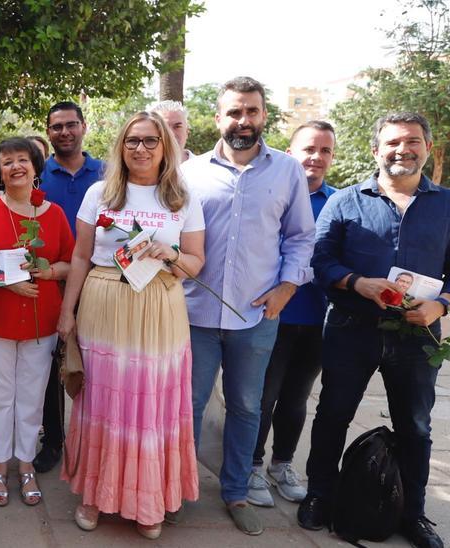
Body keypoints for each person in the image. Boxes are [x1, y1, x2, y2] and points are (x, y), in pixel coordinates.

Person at [300, 112, 450, 548]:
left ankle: (413, 513)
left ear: (428, 148)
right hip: (350, 328)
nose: (403, 149)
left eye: (413, 141)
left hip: (418, 338)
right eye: (394, 142)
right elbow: (321, 261)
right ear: (376, 150)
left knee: (415, 426)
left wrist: (440, 306)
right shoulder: (346, 202)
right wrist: (357, 282)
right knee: (332, 415)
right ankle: (320, 494)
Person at [57, 111, 204, 540]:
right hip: (105, 304)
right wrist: (67, 312)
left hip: (159, 306)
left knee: (150, 406)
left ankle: (147, 500)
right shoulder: (100, 193)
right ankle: (94, 494)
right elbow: (81, 257)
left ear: (166, 147)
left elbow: (196, 264)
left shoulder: (181, 196)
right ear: (121, 146)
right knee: (102, 401)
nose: (141, 148)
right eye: (133, 140)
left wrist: (171, 254)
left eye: (151, 141)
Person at [181, 77, 315, 536]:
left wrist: (287, 287)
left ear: (263, 116)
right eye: (234, 112)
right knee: (188, 405)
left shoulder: (287, 171)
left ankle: (236, 491)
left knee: (245, 406)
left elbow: (301, 237)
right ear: (218, 118)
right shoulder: (188, 173)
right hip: (193, 314)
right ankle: (180, 489)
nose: (243, 120)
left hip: (255, 316)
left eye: (252, 111)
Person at [0, 137, 74, 508]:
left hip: (41, 320)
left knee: (30, 397)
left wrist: (46, 271)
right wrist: (7, 282)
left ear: (35, 166)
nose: (15, 167)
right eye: (7, 161)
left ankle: (25, 464)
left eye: (22, 159)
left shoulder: (55, 215)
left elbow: (70, 263)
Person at [247, 121, 338, 509]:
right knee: (261, 397)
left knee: (297, 397)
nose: (315, 158)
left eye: (325, 151)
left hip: (317, 318)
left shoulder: (339, 201)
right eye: (308, 149)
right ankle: (251, 465)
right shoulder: (275, 192)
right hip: (273, 315)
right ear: (290, 152)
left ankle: (282, 464)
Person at [35, 100, 106, 473]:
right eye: (56, 126)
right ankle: (54, 440)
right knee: (49, 371)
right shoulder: (37, 177)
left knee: (94, 367)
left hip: (99, 285)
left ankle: (92, 440)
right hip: (50, 284)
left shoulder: (108, 176)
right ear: (48, 132)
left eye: (70, 125)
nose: (64, 132)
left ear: (83, 127)